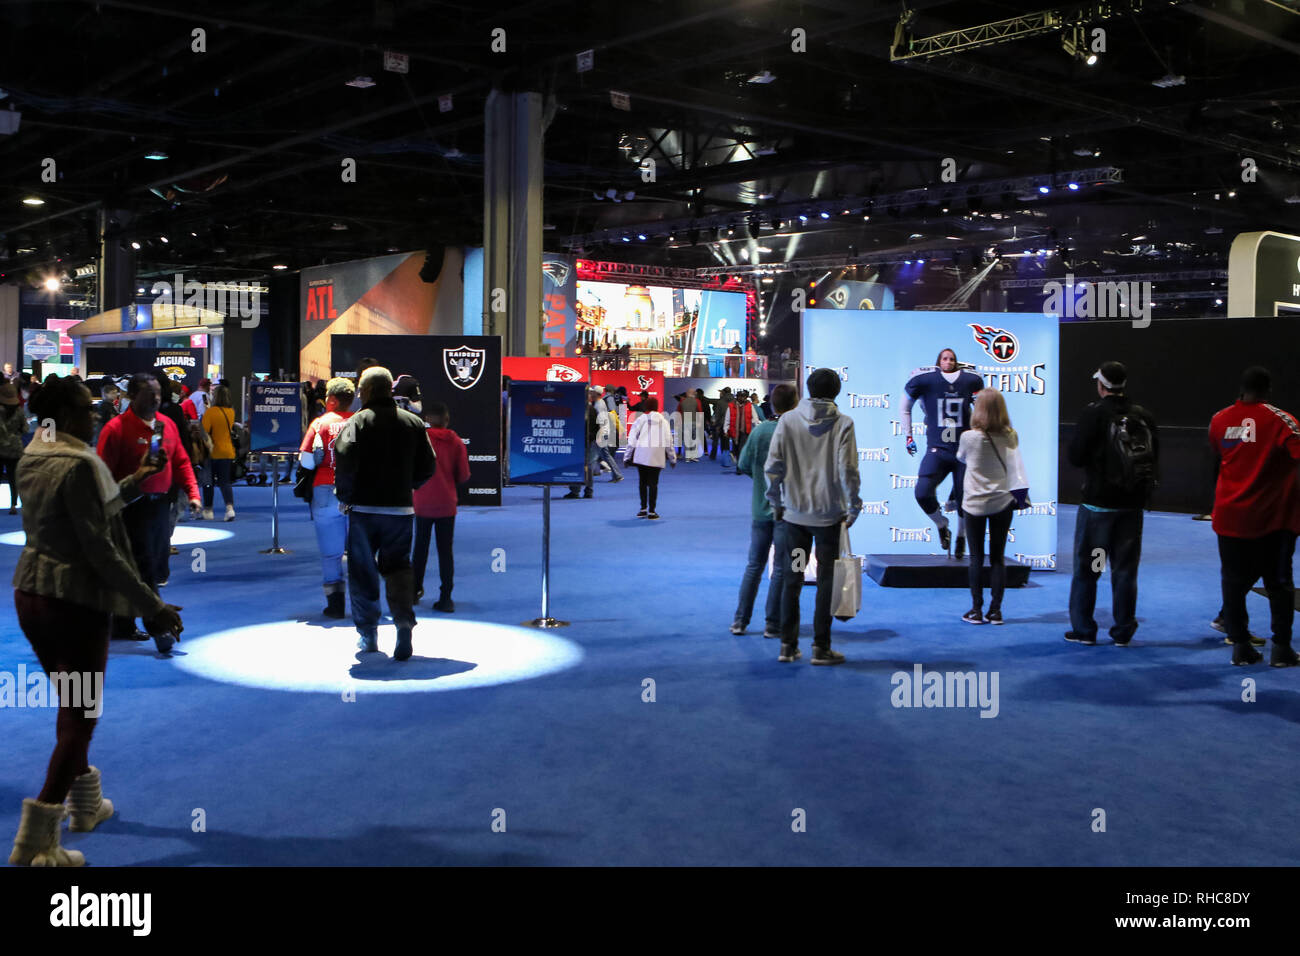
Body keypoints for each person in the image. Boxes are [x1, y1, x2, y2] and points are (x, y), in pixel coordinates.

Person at [8, 376, 183, 867]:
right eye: (88, 410)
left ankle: (85, 805)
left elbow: (86, 511)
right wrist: (153, 606)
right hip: (75, 601)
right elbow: (100, 548)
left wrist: (135, 479)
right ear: (65, 416)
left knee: (70, 702)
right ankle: (36, 841)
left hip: (31, 592)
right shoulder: (81, 462)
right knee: (80, 718)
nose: (97, 416)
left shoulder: (33, 453)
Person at [333, 366, 436, 660]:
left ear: (364, 392)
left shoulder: (356, 422)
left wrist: (345, 495)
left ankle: (368, 634)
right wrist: (408, 485)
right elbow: (429, 464)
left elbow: (343, 458)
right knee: (399, 568)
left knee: (363, 572)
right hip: (400, 509)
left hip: (364, 510)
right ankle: (403, 622)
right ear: (389, 390)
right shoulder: (413, 423)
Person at [96, 372, 201, 653]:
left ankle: (122, 624)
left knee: (150, 565)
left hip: (160, 508)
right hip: (127, 509)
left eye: (158, 393)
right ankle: (159, 626)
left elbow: (181, 461)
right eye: (149, 394)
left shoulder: (166, 426)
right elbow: (102, 472)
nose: (156, 398)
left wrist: (193, 493)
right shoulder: (115, 429)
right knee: (143, 568)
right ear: (132, 396)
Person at [765, 368, 863, 665]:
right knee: (825, 582)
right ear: (837, 391)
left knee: (792, 579)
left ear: (808, 388)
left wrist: (775, 501)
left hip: (795, 520)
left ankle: (788, 645)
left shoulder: (788, 420)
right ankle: (821, 647)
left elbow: (774, 465)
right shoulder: (844, 423)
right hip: (829, 520)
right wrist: (854, 505)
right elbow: (848, 470)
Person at [1209, 366, 1300, 667]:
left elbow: (1219, 456)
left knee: (1233, 583)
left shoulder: (1219, 420)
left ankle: (1241, 647)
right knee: (1279, 584)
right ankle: (1282, 649)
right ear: (1268, 390)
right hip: (1273, 521)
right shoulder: (1282, 421)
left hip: (1230, 518)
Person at [1064, 361, 1159, 647]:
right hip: (1131, 508)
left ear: (1101, 385)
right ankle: (1123, 630)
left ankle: (1084, 629)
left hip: (1098, 508)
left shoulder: (1093, 414)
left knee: (1089, 569)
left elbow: (1076, 457)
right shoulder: (1143, 415)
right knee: (1125, 570)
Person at [901, 348, 983, 558]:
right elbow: (905, 407)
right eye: (944, 358)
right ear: (938, 361)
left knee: (966, 499)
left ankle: (961, 536)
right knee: (922, 492)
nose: (948, 362)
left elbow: (981, 410)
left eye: (952, 358)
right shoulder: (925, 379)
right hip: (937, 448)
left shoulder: (970, 379)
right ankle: (942, 524)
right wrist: (908, 436)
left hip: (964, 450)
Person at [956, 389, 1027, 625]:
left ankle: (976, 610)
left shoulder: (968, 437)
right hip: (1002, 501)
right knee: (998, 557)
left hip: (974, 502)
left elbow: (962, 458)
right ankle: (996, 611)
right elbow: (1014, 465)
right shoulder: (1011, 435)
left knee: (976, 557)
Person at [732, 383, 797, 636]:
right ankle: (772, 624)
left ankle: (740, 621)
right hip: (788, 511)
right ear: (794, 404)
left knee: (754, 566)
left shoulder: (759, 433)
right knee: (781, 568)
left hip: (761, 509)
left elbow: (745, 464)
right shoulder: (797, 432)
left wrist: (761, 482)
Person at [299, 377, 355, 618]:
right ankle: (363, 602)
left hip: (324, 491)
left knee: (331, 553)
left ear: (331, 400)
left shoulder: (319, 423)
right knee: (360, 551)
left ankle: (335, 605)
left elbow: (306, 460)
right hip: (356, 492)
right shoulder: (359, 422)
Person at [413, 400, 470, 611]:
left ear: (426, 419)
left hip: (422, 502)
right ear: (447, 419)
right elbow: (463, 475)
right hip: (446, 504)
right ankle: (446, 597)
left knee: (419, 549)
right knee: (446, 551)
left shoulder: (419, 440)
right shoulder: (456, 443)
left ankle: (413, 591)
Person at [157, 379, 196, 579]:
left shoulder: (154, 411)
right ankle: (165, 542)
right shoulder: (174, 410)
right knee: (176, 504)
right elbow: (182, 439)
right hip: (173, 466)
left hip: (159, 467)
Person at [564, 386, 623, 499]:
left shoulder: (588, 408)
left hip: (587, 441)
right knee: (590, 465)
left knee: (580, 465)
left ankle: (577, 490)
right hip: (593, 440)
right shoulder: (592, 408)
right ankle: (588, 490)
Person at [623, 396, 676, 519]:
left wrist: (627, 457)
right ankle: (652, 511)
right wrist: (672, 458)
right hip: (656, 456)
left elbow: (632, 440)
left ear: (646, 406)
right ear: (657, 407)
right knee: (653, 483)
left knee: (642, 482)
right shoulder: (664, 421)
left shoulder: (640, 419)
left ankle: (643, 509)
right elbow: (669, 441)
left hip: (641, 455)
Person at [201, 384, 238, 521]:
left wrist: (205, 413)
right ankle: (230, 508)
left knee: (208, 482)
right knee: (225, 482)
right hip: (228, 451)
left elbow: (204, 431)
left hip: (212, 451)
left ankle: (208, 510)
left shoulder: (211, 412)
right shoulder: (231, 412)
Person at [0, 383, 30, 513]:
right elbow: (25, 429)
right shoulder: (19, 411)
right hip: (15, 447)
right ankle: (13, 504)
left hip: (0, 446)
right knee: (13, 477)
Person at [675, 389, 704, 462]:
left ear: (687, 394)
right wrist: (700, 422)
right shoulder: (697, 401)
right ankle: (693, 456)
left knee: (687, 439)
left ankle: (687, 457)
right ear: (693, 393)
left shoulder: (682, 401)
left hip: (685, 422)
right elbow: (700, 412)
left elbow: (678, 412)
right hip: (694, 422)